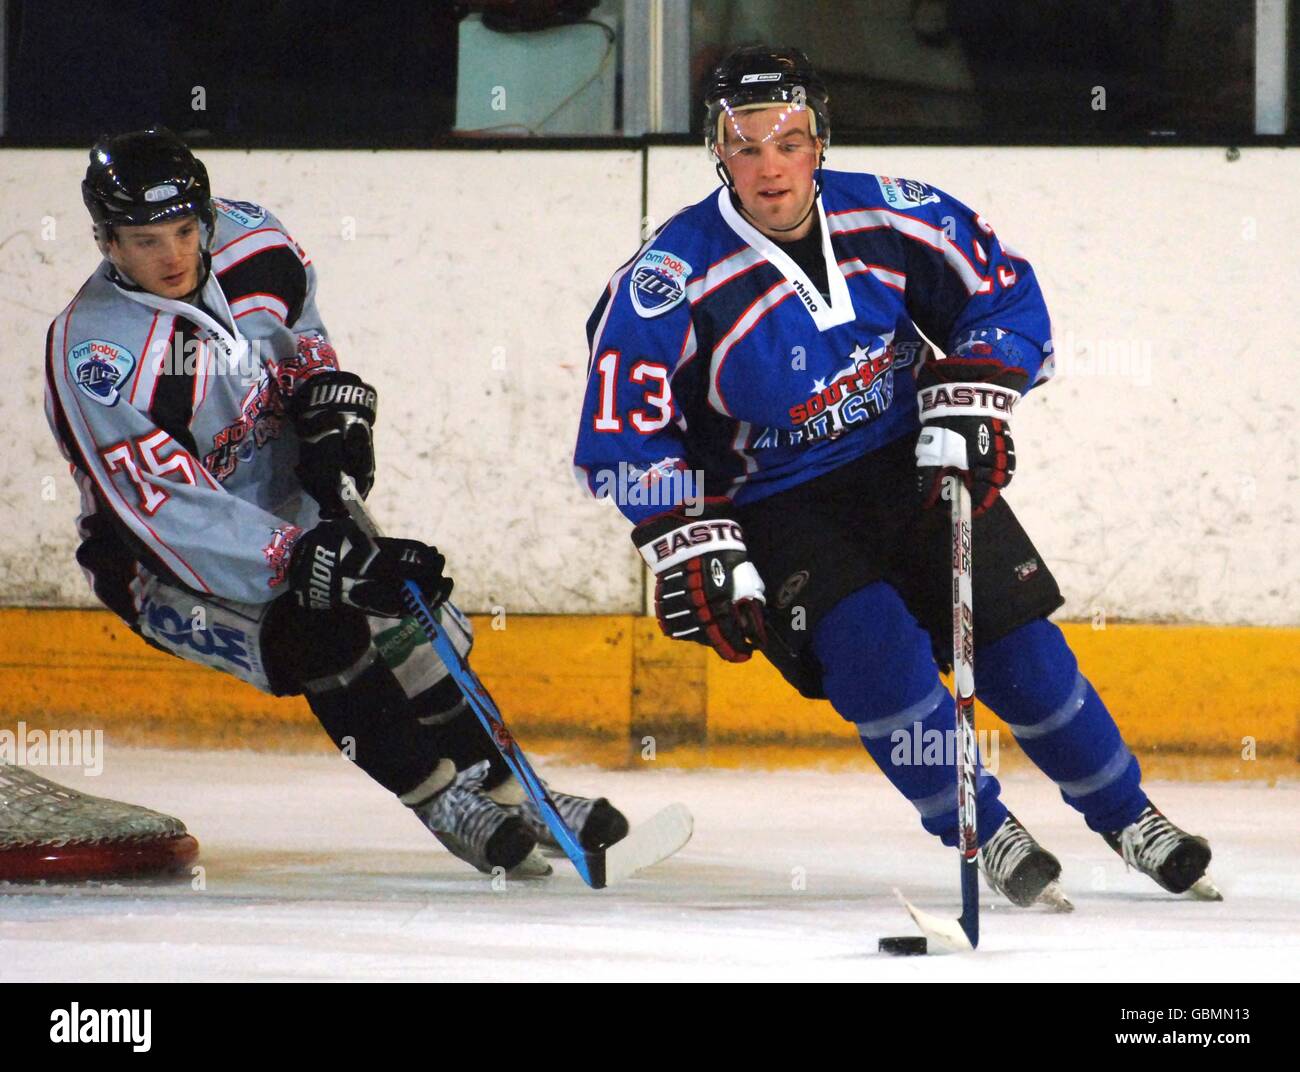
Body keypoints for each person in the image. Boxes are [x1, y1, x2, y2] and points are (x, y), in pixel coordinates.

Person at [573, 47, 1217, 906]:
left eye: (789, 140)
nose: (770, 166)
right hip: (777, 504)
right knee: (875, 655)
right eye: (746, 143)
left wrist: (978, 387)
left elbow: (1006, 301)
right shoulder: (669, 281)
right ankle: (981, 830)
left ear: (821, 141)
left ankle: (1130, 817)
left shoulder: (893, 214)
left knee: (1023, 655)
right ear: (716, 151)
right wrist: (682, 534)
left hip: (911, 464)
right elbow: (623, 432)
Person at [46, 127, 627, 877]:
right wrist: (297, 558)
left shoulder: (255, 239)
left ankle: (519, 796)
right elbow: (163, 511)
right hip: (159, 568)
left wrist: (332, 409)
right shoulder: (97, 353)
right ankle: (441, 799)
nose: (174, 256)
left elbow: (305, 335)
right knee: (318, 630)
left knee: (405, 619)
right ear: (107, 242)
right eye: (145, 239)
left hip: (292, 512)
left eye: (186, 230)